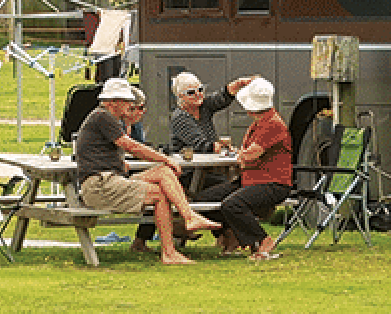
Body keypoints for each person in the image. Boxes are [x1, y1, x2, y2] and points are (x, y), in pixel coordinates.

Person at [74, 77, 221, 265]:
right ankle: (169, 252)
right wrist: (165, 158)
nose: (130, 105)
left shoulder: (109, 119)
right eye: (127, 101)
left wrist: (122, 158)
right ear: (113, 102)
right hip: (99, 186)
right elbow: (132, 147)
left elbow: (109, 152)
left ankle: (188, 217)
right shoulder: (102, 116)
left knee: (163, 172)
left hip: (110, 180)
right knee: (159, 194)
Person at [132, 71, 255, 254]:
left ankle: (222, 234)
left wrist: (239, 84)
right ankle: (225, 233)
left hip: (202, 171)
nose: (198, 94)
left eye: (200, 89)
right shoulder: (180, 118)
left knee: (220, 190)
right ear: (180, 97)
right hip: (184, 173)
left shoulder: (203, 107)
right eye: (191, 92)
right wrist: (222, 146)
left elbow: (222, 97)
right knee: (219, 192)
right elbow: (202, 146)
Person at [217, 77, 294, 261]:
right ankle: (232, 235)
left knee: (233, 204)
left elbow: (251, 154)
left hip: (273, 183)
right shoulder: (261, 122)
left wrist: (240, 154)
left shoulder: (272, 124)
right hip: (252, 180)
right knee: (208, 197)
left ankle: (263, 240)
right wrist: (241, 154)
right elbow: (247, 154)